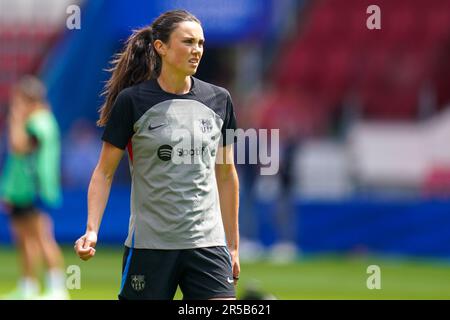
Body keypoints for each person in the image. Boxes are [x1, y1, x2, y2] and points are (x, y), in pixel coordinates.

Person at [74, 10, 240, 300]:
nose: (197, 50)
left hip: (208, 245)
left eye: (200, 43)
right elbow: (104, 172)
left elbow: (227, 175)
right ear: (160, 47)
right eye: (188, 42)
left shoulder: (220, 100)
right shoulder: (132, 102)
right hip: (149, 246)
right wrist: (92, 230)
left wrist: (233, 245)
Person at [0, 75, 69, 300]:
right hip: (21, 190)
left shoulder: (40, 122)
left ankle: (57, 288)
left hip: (35, 189)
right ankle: (28, 286)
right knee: (23, 239)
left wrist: (15, 119)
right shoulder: (37, 120)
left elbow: (19, 147)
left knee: (42, 237)